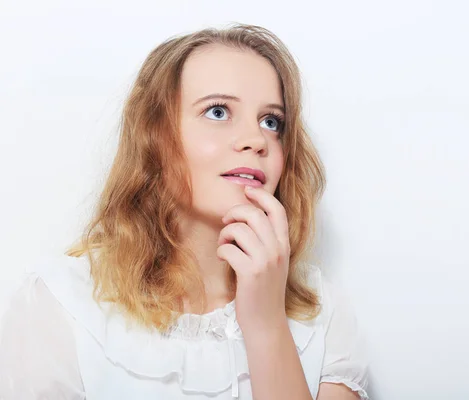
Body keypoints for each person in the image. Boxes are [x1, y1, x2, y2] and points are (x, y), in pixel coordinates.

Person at [0, 23, 369, 399]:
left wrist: (267, 326)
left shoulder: (323, 314)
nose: (257, 140)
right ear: (155, 138)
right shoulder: (61, 308)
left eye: (271, 121)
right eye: (218, 111)